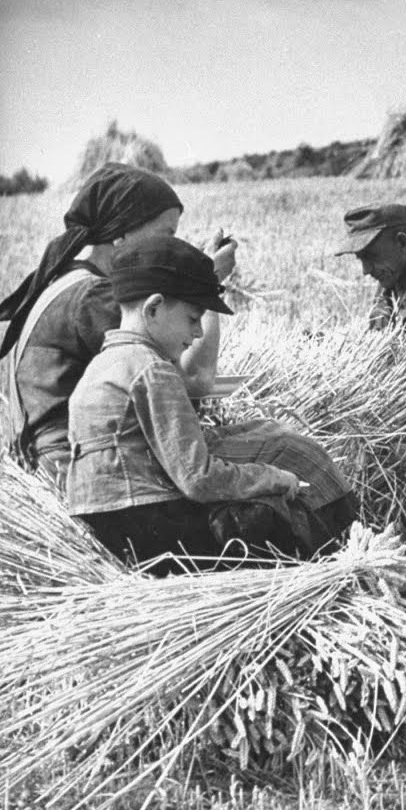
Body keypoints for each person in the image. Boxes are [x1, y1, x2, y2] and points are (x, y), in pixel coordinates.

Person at [66, 236, 355, 573]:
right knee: (274, 517)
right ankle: (338, 576)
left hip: (110, 525)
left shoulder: (102, 366)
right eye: (193, 318)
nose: (199, 333)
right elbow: (198, 478)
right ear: (153, 309)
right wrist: (275, 478)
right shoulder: (152, 369)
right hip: (152, 524)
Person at [0, 163, 234, 479]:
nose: (170, 247)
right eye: (166, 234)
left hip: (53, 463)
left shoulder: (65, 281)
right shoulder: (94, 297)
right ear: (121, 234)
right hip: (71, 472)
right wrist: (210, 281)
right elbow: (196, 379)